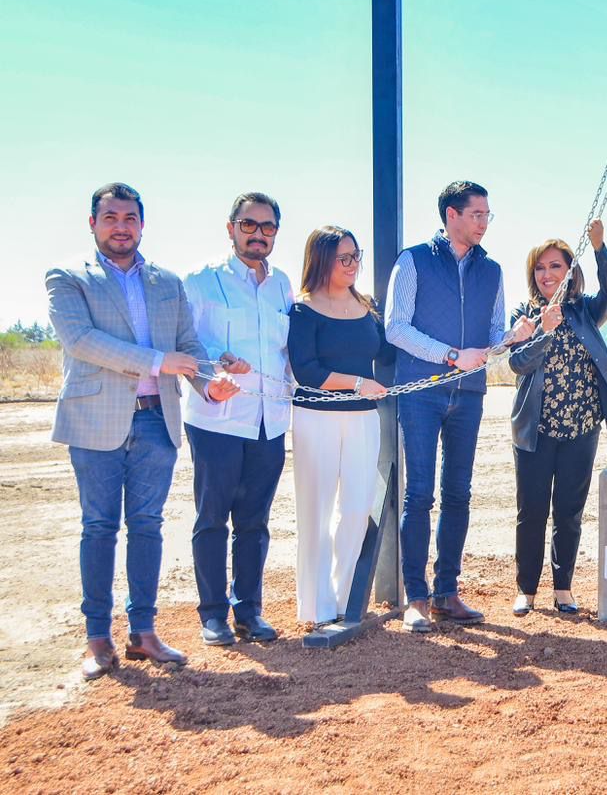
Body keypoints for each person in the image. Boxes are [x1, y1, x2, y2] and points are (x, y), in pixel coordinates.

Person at [46, 182, 238, 680]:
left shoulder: (166, 282)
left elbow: (188, 346)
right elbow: (82, 341)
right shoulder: (68, 278)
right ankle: (97, 638)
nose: (121, 227)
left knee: (148, 526)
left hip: (156, 418)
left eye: (129, 218)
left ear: (142, 224)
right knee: (98, 527)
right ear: (93, 223)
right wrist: (157, 361)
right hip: (95, 420)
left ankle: (143, 633)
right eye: (110, 217)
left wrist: (207, 383)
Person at [386, 181, 535, 630]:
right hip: (420, 390)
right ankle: (416, 599)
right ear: (452, 215)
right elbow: (396, 328)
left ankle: (446, 593)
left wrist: (513, 337)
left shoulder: (493, 271)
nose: (484, 223)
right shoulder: (412, 261)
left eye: (488, 215)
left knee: (458, 494)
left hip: (469, 394)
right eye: (477, 214)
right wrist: (451, 355)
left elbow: (491, 340)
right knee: (419, 494)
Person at [183, 192, 293, 646]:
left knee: (255, 522)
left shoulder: (283, 285)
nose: (258, 234)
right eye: (249, 225)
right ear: (231, 228)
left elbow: (287, 350)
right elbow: (184, 343)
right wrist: (217, 361)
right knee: (212, 518)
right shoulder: (201, 281)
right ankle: (213, 615)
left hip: (270, 420)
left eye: (267, 227)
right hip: (218, 420)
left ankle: (249, 611)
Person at [508, 218, 607, 615]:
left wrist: (599, 247)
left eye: (555, 266)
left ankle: (563, 588)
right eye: (540, 268)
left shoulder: (584, 312)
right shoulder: (524, 316)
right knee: (532, 511)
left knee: (569, 513)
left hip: (581, 427)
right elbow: (518, 363)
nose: (547, 274)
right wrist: (542, 330)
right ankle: (526, 589)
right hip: (536, 430)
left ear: (570, 271)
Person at [287, 226, 394, 626]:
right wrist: (357, 383)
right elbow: (307, 371)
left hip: (363, 419)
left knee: (356, 509)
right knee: (315, 512)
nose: (353, 265)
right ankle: (317, 607)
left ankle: (345, 596)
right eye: (343, 258)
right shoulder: (303, 310)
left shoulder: (367, 307)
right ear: (321, 260)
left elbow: (387, 351)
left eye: (356, 256)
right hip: (316, 418)